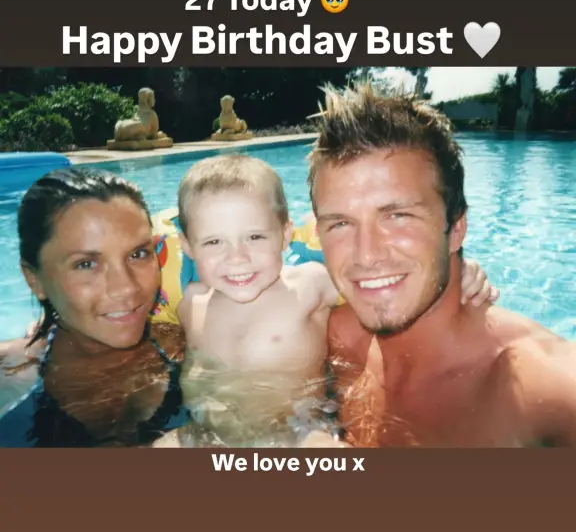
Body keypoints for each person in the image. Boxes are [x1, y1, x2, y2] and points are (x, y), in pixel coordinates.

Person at [153, 153, 498, 447]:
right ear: (188, 246)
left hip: (297, 431)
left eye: (255, 237)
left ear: (285, 235)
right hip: (203, 433)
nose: (237, 258)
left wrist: (455, 272)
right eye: (214, 242)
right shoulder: (191, 302)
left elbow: (383, 286)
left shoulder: (309, 284)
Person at [308, 84, 576, 447]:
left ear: (456, 229)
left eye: (398, 216)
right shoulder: (332, 336)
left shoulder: (542, 389)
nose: (366, 255)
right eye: (340, 223)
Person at [0, 168, 189, 447]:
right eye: (86, 264)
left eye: (138, 254)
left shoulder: (190, 346)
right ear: (34, 279)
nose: (126, 287)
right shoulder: (9, 377)